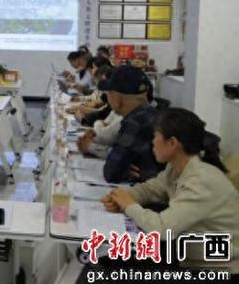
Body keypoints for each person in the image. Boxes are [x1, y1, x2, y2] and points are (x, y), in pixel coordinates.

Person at [100, 108, 239, 277]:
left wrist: (129, 205)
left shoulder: (202, 181)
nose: (152, 143)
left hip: (218, 270)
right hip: (188, 253)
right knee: (110, 260)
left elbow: (162, 229)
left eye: (155, 137)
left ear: (172, 143)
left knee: (119, 271)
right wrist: (123, 197)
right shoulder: (176, 168)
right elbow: (152, 189)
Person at [99, 65, 162, 183]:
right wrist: (123, 167)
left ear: (118, 100)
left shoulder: (136, 123)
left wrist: (120, 169)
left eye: (108, 94)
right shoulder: (152, 114)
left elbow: (111, 172)